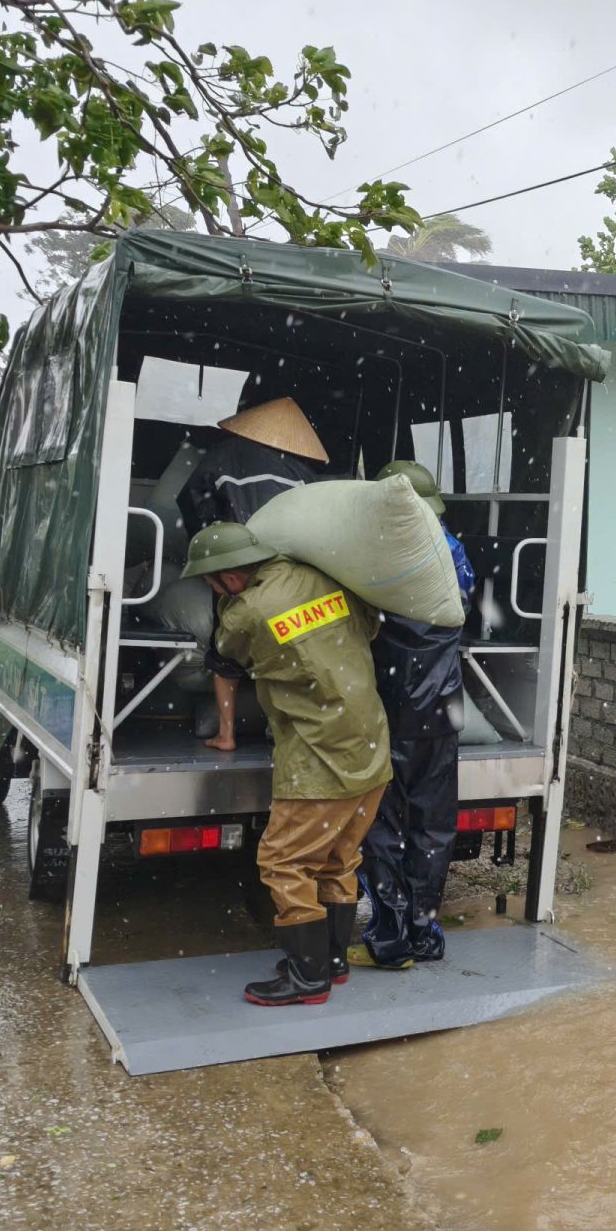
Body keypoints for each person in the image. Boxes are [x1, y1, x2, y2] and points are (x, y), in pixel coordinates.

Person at [184, 520, 389, 1006]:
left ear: (228, 577)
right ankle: (332, 960)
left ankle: (307, 976)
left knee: (283, 861)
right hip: (369, 742)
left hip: (320, 756)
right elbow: (371, 625)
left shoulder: (248, 612)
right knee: (339, 857)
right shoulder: (320, 576)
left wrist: (227, 604)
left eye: (210, 582)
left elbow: (227, 651)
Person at [357, 459, 477, 968]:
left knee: (381, 821)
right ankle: (425, 931)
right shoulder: (452, 550)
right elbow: (463, 607)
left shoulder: (368, 552)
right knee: (433, 822)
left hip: (387, 706)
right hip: (442, 707)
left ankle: (389, 936)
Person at [176, 397, 327, 752]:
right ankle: (281, 730)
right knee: (285, 646)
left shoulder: (223, 455)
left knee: (225, 649)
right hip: (287, 571)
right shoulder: (302, 472)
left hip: (233, 563)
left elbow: (190, 501)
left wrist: (209, 544)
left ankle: (226, 734)